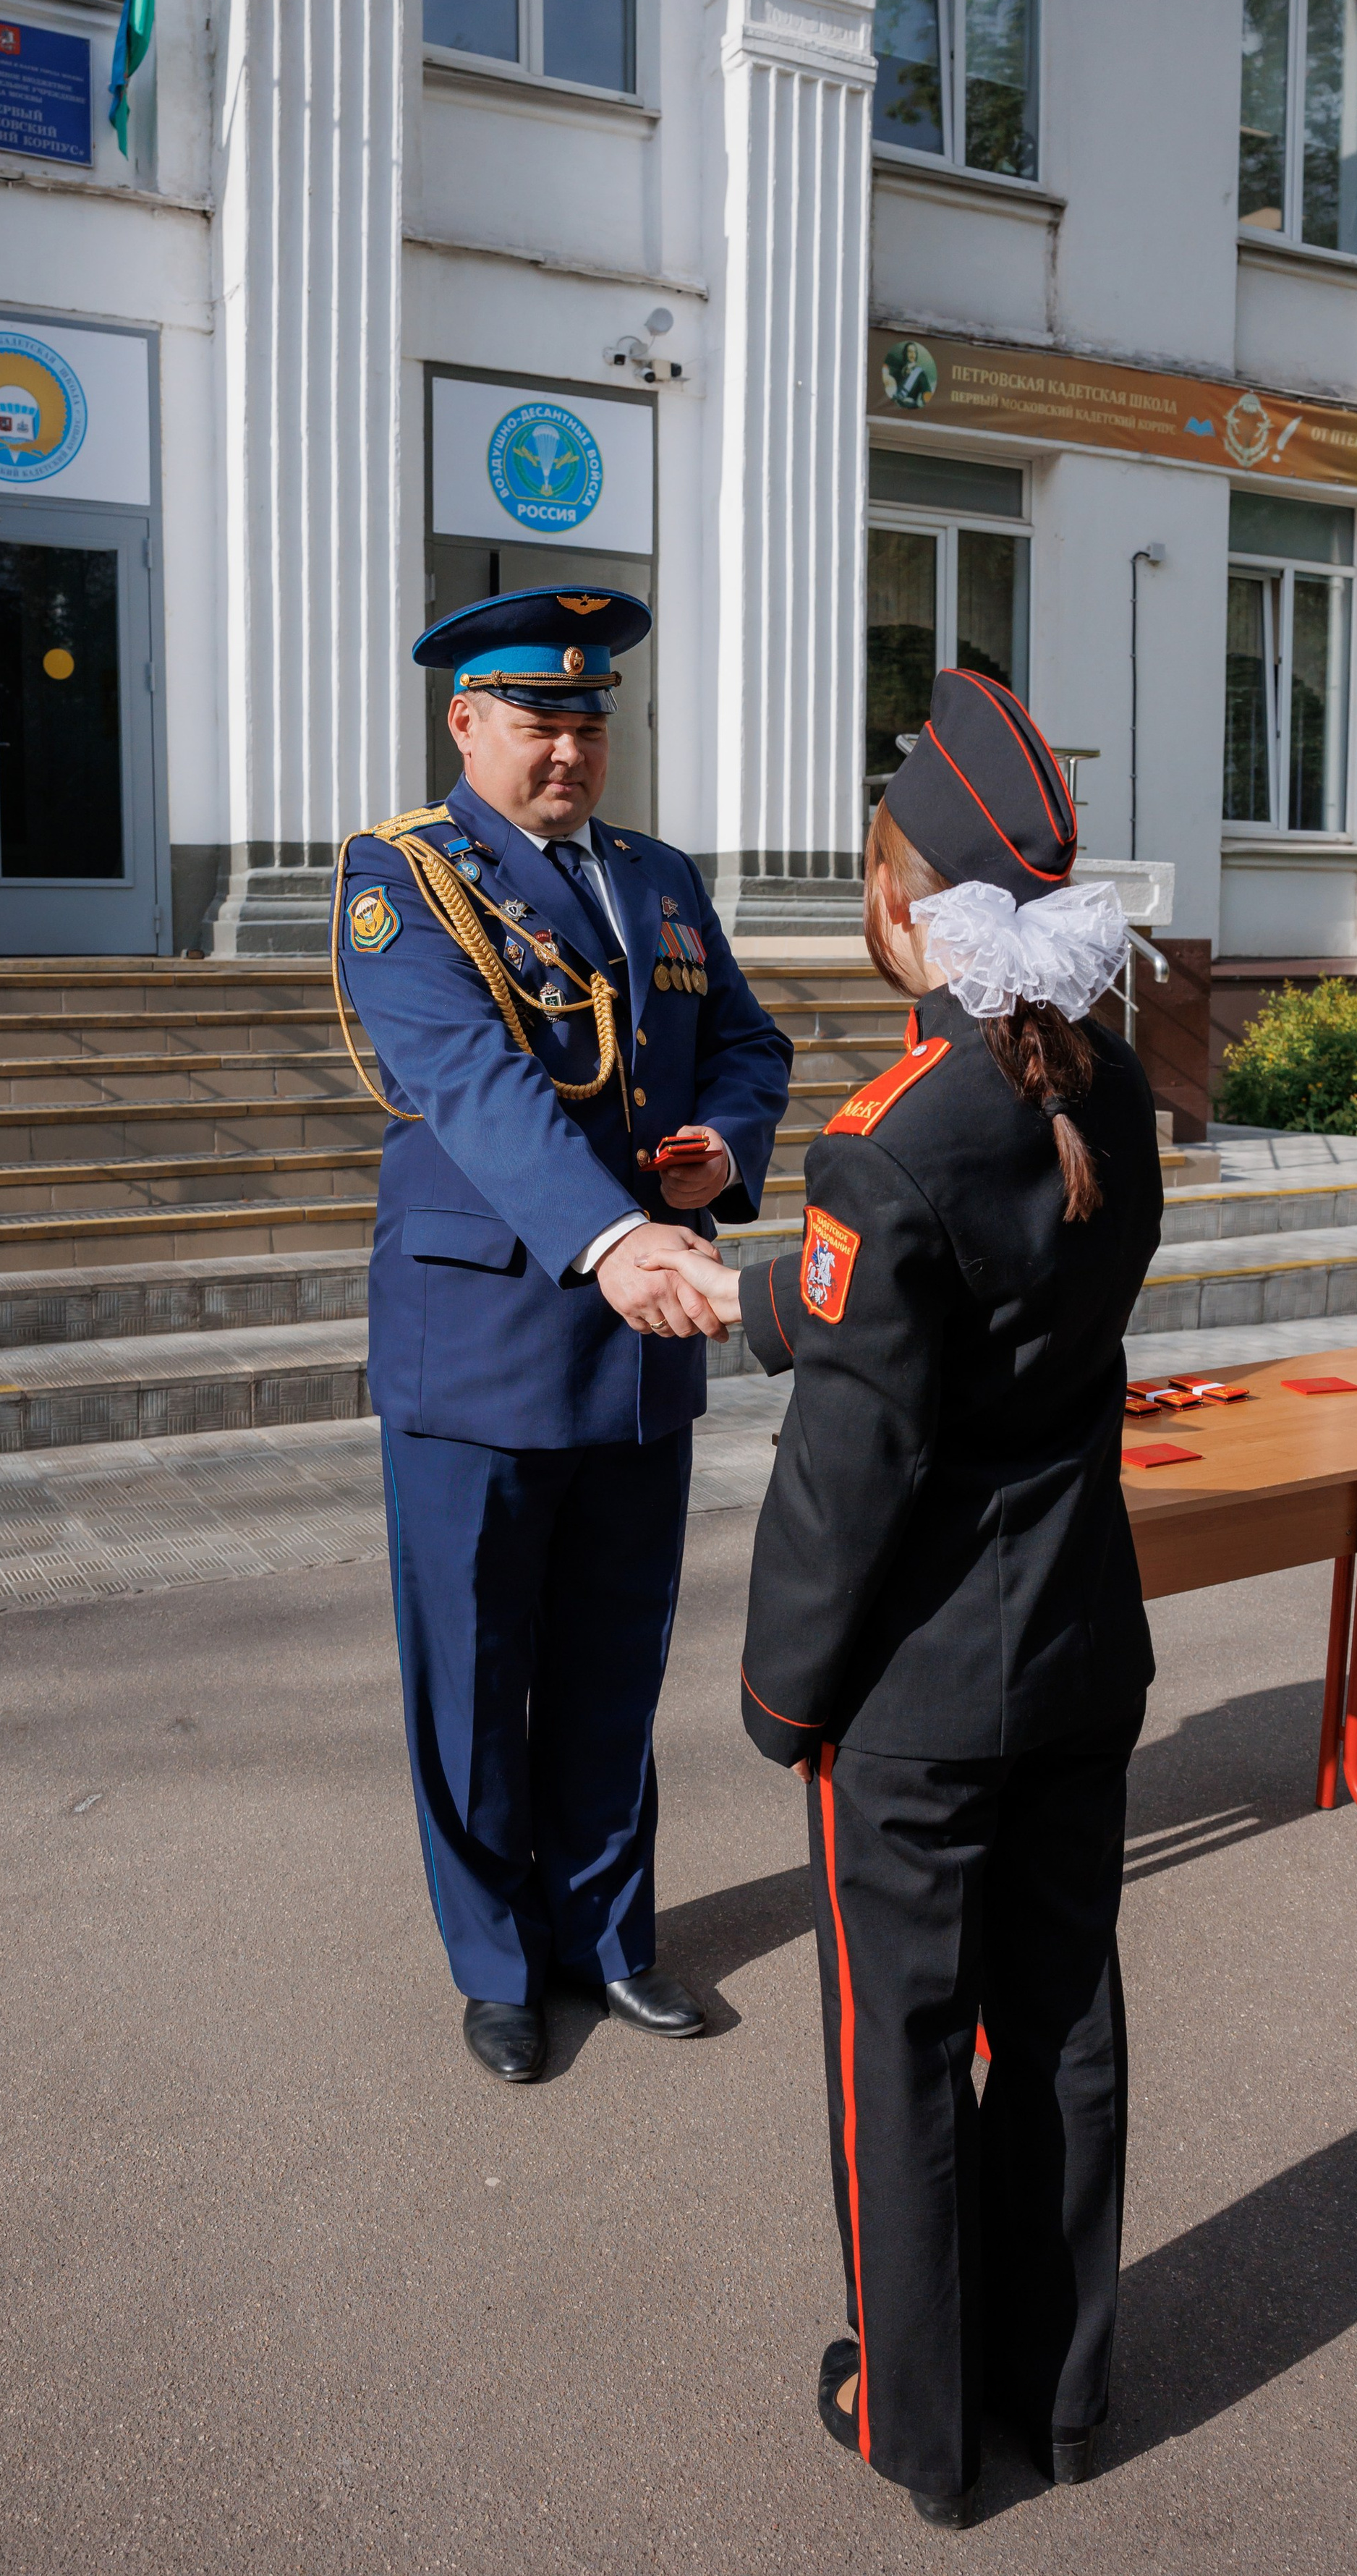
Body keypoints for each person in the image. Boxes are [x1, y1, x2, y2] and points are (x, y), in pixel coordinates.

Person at [676, 669, 1164, 2527]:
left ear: (905, 900)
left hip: (917, 1691)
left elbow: (856, 1460)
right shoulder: (1103, 1079)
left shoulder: (889, 1129)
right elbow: (981, 1311)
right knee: (1059, 2025)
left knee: (897, 2049)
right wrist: (766, 1298)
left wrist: (781, 1689)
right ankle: (1052, 2400)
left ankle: (916, 2429)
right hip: (1075, 1648)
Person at [332, 585, 793, 2086]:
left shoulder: (656, 876)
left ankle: (608, 1940)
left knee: (611, 1664)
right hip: (479, 1345)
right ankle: (496, 1964)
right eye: (539, 725)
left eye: (589, 726)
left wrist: (721, 1146)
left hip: (636, 1339)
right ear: (463, 722)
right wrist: (611, 1237)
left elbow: (742, 1038)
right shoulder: (401, 881)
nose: (569, 754)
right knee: (472, 1677)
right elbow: (472, 1079)